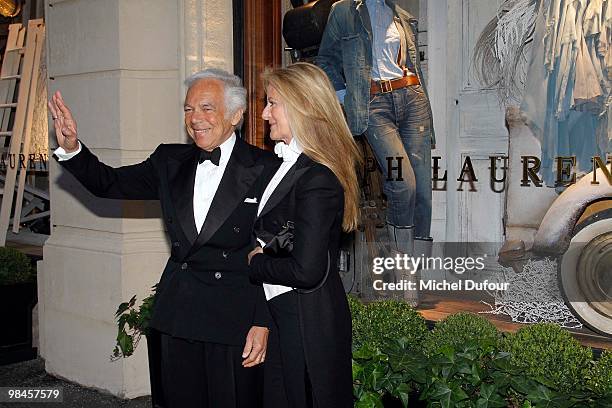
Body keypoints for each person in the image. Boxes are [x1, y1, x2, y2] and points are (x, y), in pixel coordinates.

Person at [48, 68, 280, 408]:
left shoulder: (266, 167)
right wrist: (72, 148)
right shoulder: (169, 161)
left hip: (235, 320)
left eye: (206, 108)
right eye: (188, 109)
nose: (195, 119)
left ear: (236, 115)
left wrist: (263, 321)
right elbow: (108, 183)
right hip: (177, 314)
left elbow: (274, 253)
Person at [247, 62, 361, 408]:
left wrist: (256, 262)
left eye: (272, 103)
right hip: (284, 313)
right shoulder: (289, 168)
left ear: (302, 107)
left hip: (307, 319)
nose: (265, 113)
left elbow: (305, 271)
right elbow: (285, 237)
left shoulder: (318, 178)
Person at [316, 0, 435, 304]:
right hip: (375, 106)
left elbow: (413, 66)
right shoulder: (344, 12)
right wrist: (349, 97)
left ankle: (414, 277)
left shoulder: (401, 15)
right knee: (403, 182)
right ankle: (402, 273)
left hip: (412, 100)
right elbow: (326, 60)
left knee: (422, 190)